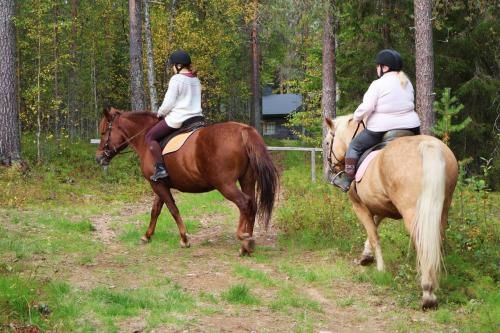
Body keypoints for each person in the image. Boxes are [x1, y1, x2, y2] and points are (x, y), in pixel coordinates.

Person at [332, 49, 421, 192]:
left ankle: (347, 180)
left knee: (354, 146)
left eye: (378, 66)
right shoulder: (407, 83)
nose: (376, 69)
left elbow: (367, 106)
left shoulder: (378, 84)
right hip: (412, 127)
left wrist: (357, 117)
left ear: (385, 68)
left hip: (383, 128)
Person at [145, 50, 203, 181]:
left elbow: (168, 103)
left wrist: (160, 114)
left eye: (172, 65)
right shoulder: (196, 80)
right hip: (197, 119)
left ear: (178, 66)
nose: (172, 68)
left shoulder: (177, 79)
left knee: (149, 136)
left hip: (179, 119)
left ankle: (160, 168)